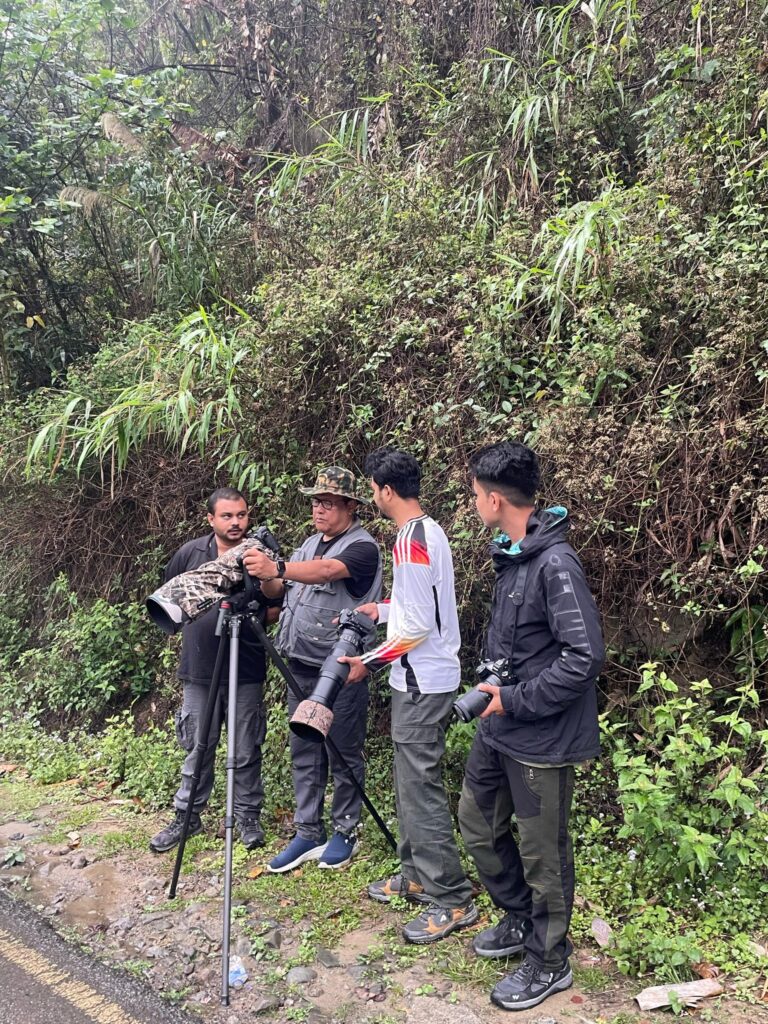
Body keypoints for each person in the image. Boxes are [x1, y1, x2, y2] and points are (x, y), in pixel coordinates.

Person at [457, 441, 605, 1011]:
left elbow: (583, 657)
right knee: (476, 823)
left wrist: (512, 700)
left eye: (474, 495)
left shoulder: (555, 564)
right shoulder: (515, 555)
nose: (474, 503)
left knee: (544, 854)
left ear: (495, 499)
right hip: (498, 730)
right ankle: (520, 920)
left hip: (540, 738)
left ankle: (550, 961)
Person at [339, 447, 477, 944]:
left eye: (372, 489)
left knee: (421, 789)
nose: (372, 496)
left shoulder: (410, 542)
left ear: (386, 491)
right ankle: (416, 873)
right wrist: (380, 609)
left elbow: (419, 625)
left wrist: (369, 663)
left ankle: (453, 898)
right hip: (419, 678)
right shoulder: (424, 532)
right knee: (408, 782)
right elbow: (421, 605)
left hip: (421, 683)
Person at [243, 466, 382, 872]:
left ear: (351, 506)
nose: (319, 509)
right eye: (316, 501)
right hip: (299, 666)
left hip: (339, 669)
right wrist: (265, 572)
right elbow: (278, 589)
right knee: (304, 749)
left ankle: (344, 831)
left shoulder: (362, 547)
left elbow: (326, 572)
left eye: (329, 502)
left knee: (342, 750)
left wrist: (277, 568)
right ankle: (308, 831)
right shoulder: (307, 544)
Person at [150, 487, 271, 854]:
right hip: (199, 666)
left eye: (242, 515)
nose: (236, 522)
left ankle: (247, 818)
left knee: (245, 746)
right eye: (227, 516)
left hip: (246, 665)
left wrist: (260, 589)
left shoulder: (258, 554)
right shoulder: (191, 553)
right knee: (198, 746)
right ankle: (186, 817)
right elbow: (169, 594)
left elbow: (278, 602)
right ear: (211, 519)